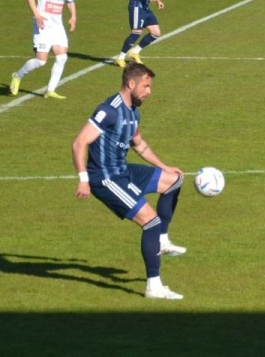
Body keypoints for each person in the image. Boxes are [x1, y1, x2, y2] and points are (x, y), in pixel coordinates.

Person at [71, 62, 187, 300]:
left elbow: (139, 145)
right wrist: (83, 179)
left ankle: (163, 241)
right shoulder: (109, 110)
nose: (149, 91)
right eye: (146, 86)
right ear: (131, 83)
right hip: (105, 177)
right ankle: (153, 287)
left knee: (174, 181)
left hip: (124, 170)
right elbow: (79, 142)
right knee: (150, 222)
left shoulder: (134, 110)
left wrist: (164, 166)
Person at [9, 0, 76, 100]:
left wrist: (73, 16)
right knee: (41, 61)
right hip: (43, 24)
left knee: (62, 57)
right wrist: (37, 14)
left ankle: (50, 90)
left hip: (58, 26)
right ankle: (17, 75)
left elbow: (70, 1)